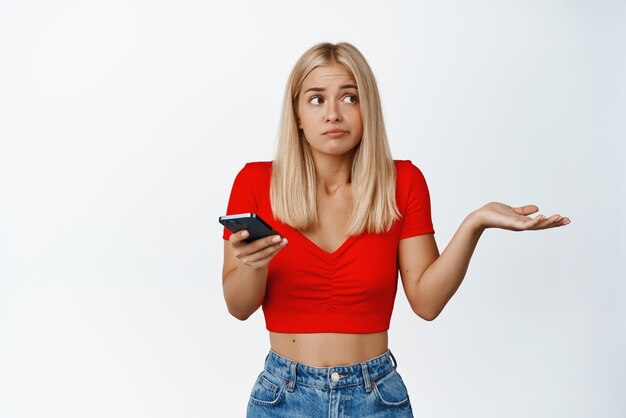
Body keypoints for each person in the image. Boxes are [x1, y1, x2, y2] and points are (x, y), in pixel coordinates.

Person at [221, 42, 570, 418]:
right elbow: (239, 308)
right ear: (298, 114)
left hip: (375, 396)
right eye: (317, 99)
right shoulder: (255, 182)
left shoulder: (402, 182)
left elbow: (427, 302)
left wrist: (475, 223)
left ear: (368, 108)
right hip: (284, 396)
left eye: (350, 97)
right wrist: (254, 265)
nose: (333, 114)